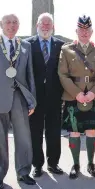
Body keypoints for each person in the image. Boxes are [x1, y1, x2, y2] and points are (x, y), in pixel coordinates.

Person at [0, 13, 37, 189]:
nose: (12, 25)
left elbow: (30, 75)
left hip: (20, 99)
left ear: (19, 25)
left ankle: (24, 171)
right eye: (8, 22)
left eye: (15, 22)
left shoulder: (25, 45)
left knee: (24, 137)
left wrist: (31, 100)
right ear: (1, 24)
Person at [58, 15, 95, 179]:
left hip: (94, 96)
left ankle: (91, 163)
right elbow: (63, 75)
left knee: (92, 131)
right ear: (76, 31)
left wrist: (93, 92)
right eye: (81, 30)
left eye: (87, 30)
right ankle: (75, 164)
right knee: (74, 131)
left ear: (91, 31)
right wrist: (76, 93)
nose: (84, 33)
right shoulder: (66, 50)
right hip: (73, 96)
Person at [25, 13, 65, 178]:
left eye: (49, 24)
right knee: (35, 131)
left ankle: (53, 163)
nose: (46, 27)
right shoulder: (27, 44)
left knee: (54, 131)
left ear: (53, 27)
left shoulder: (61, 46)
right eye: (43, 24)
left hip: (55, 97)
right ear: (37, 25)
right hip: (35, 97)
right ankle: (37, 165)